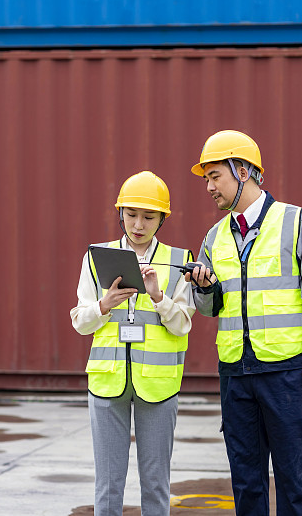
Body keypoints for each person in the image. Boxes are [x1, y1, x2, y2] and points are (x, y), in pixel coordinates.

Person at [185, 130, 302, 516]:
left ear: (244, 171)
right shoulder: (214, 237)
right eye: (206, 179)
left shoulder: (297, 222)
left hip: (285, 372)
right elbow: (209, 308)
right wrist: (204, 287)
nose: (209, 187)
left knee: (293, 479)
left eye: (215, 176)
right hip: (236, 374)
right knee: (246, 482)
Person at [70, 170, 196, 516]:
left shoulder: (178, 262)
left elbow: (183, 325)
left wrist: (158, 297)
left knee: (156, 484)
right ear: (120, 213)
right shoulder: (96, 258)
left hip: (157, 385)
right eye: (131, 214)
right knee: (108, 484)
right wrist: (103, 305)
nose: (138, 224)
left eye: (148, 216)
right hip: (107, 381)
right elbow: (80, 321)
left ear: (162, 219)